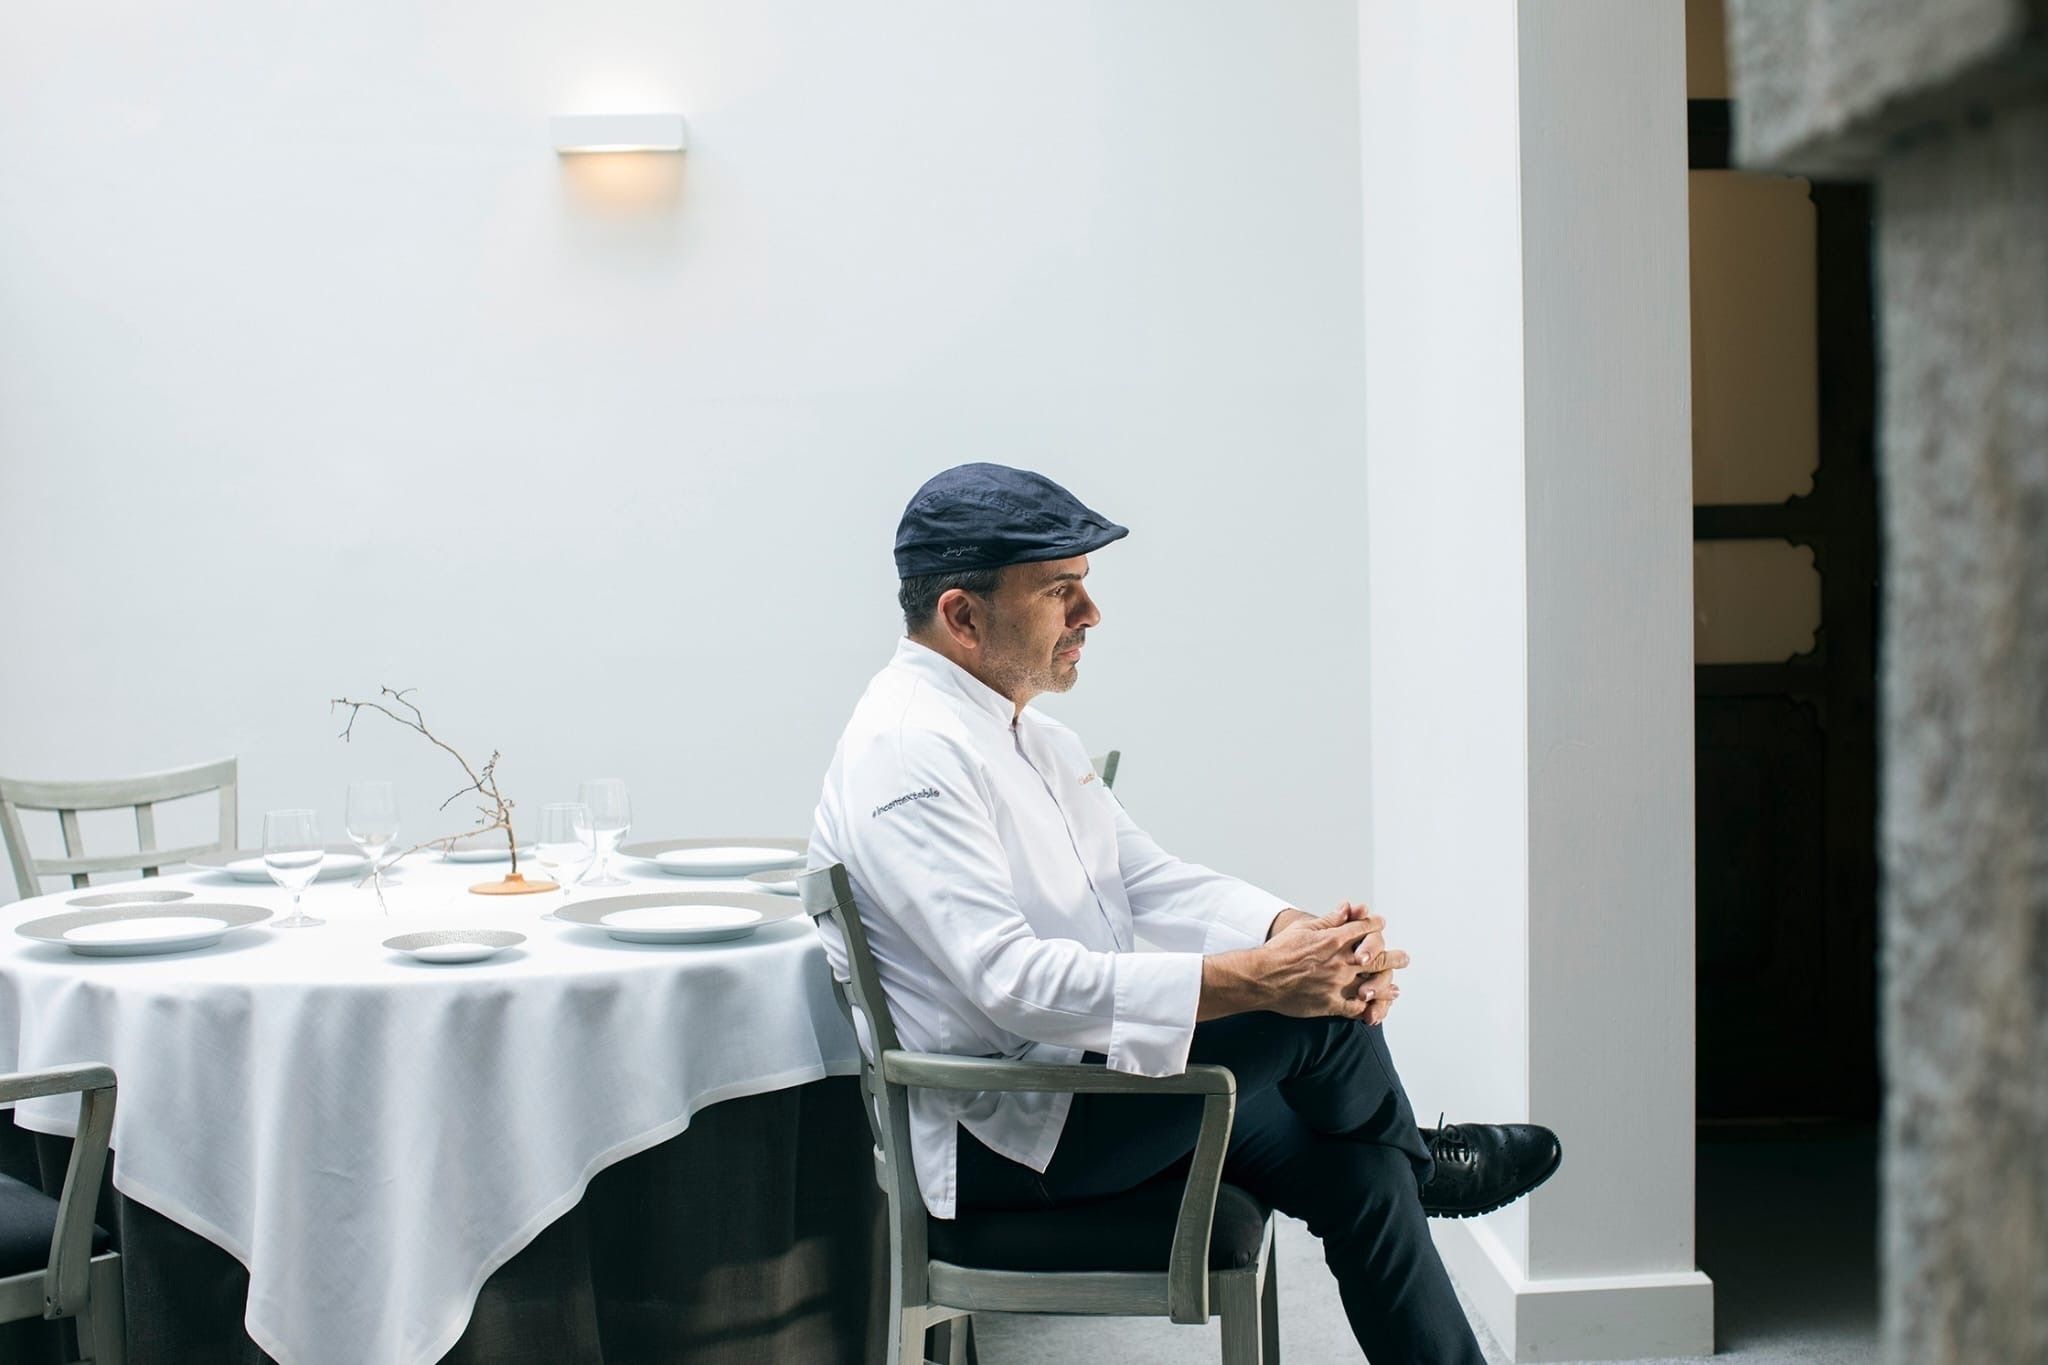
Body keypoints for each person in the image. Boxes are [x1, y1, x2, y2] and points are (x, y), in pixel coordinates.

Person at [810, 463, 1560, 1361]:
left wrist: (1293, 933)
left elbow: (1152, 881)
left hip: (1090, 1084)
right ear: (963, 616)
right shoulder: (908, 752)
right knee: (1321, 1025)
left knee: (1363, 1170)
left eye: (1084, 588)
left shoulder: (1031, 733)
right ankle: (1427, 1159)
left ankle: (1409, 1166)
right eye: (1061, 591)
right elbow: (1010, 983)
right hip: (1013, 1130)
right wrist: (1267, 980)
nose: (1091, 616)